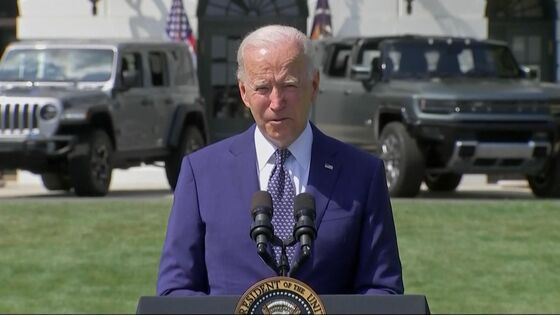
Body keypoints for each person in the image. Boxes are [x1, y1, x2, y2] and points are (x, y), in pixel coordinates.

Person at [157, 24, 403, 296]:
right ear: (243, 93)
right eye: (262, 87)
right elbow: (175, 289)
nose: (276, 101)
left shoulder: (362, 174)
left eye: (289, 85)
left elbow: (382, 288)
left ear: (314, 85)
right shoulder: (201, 173)